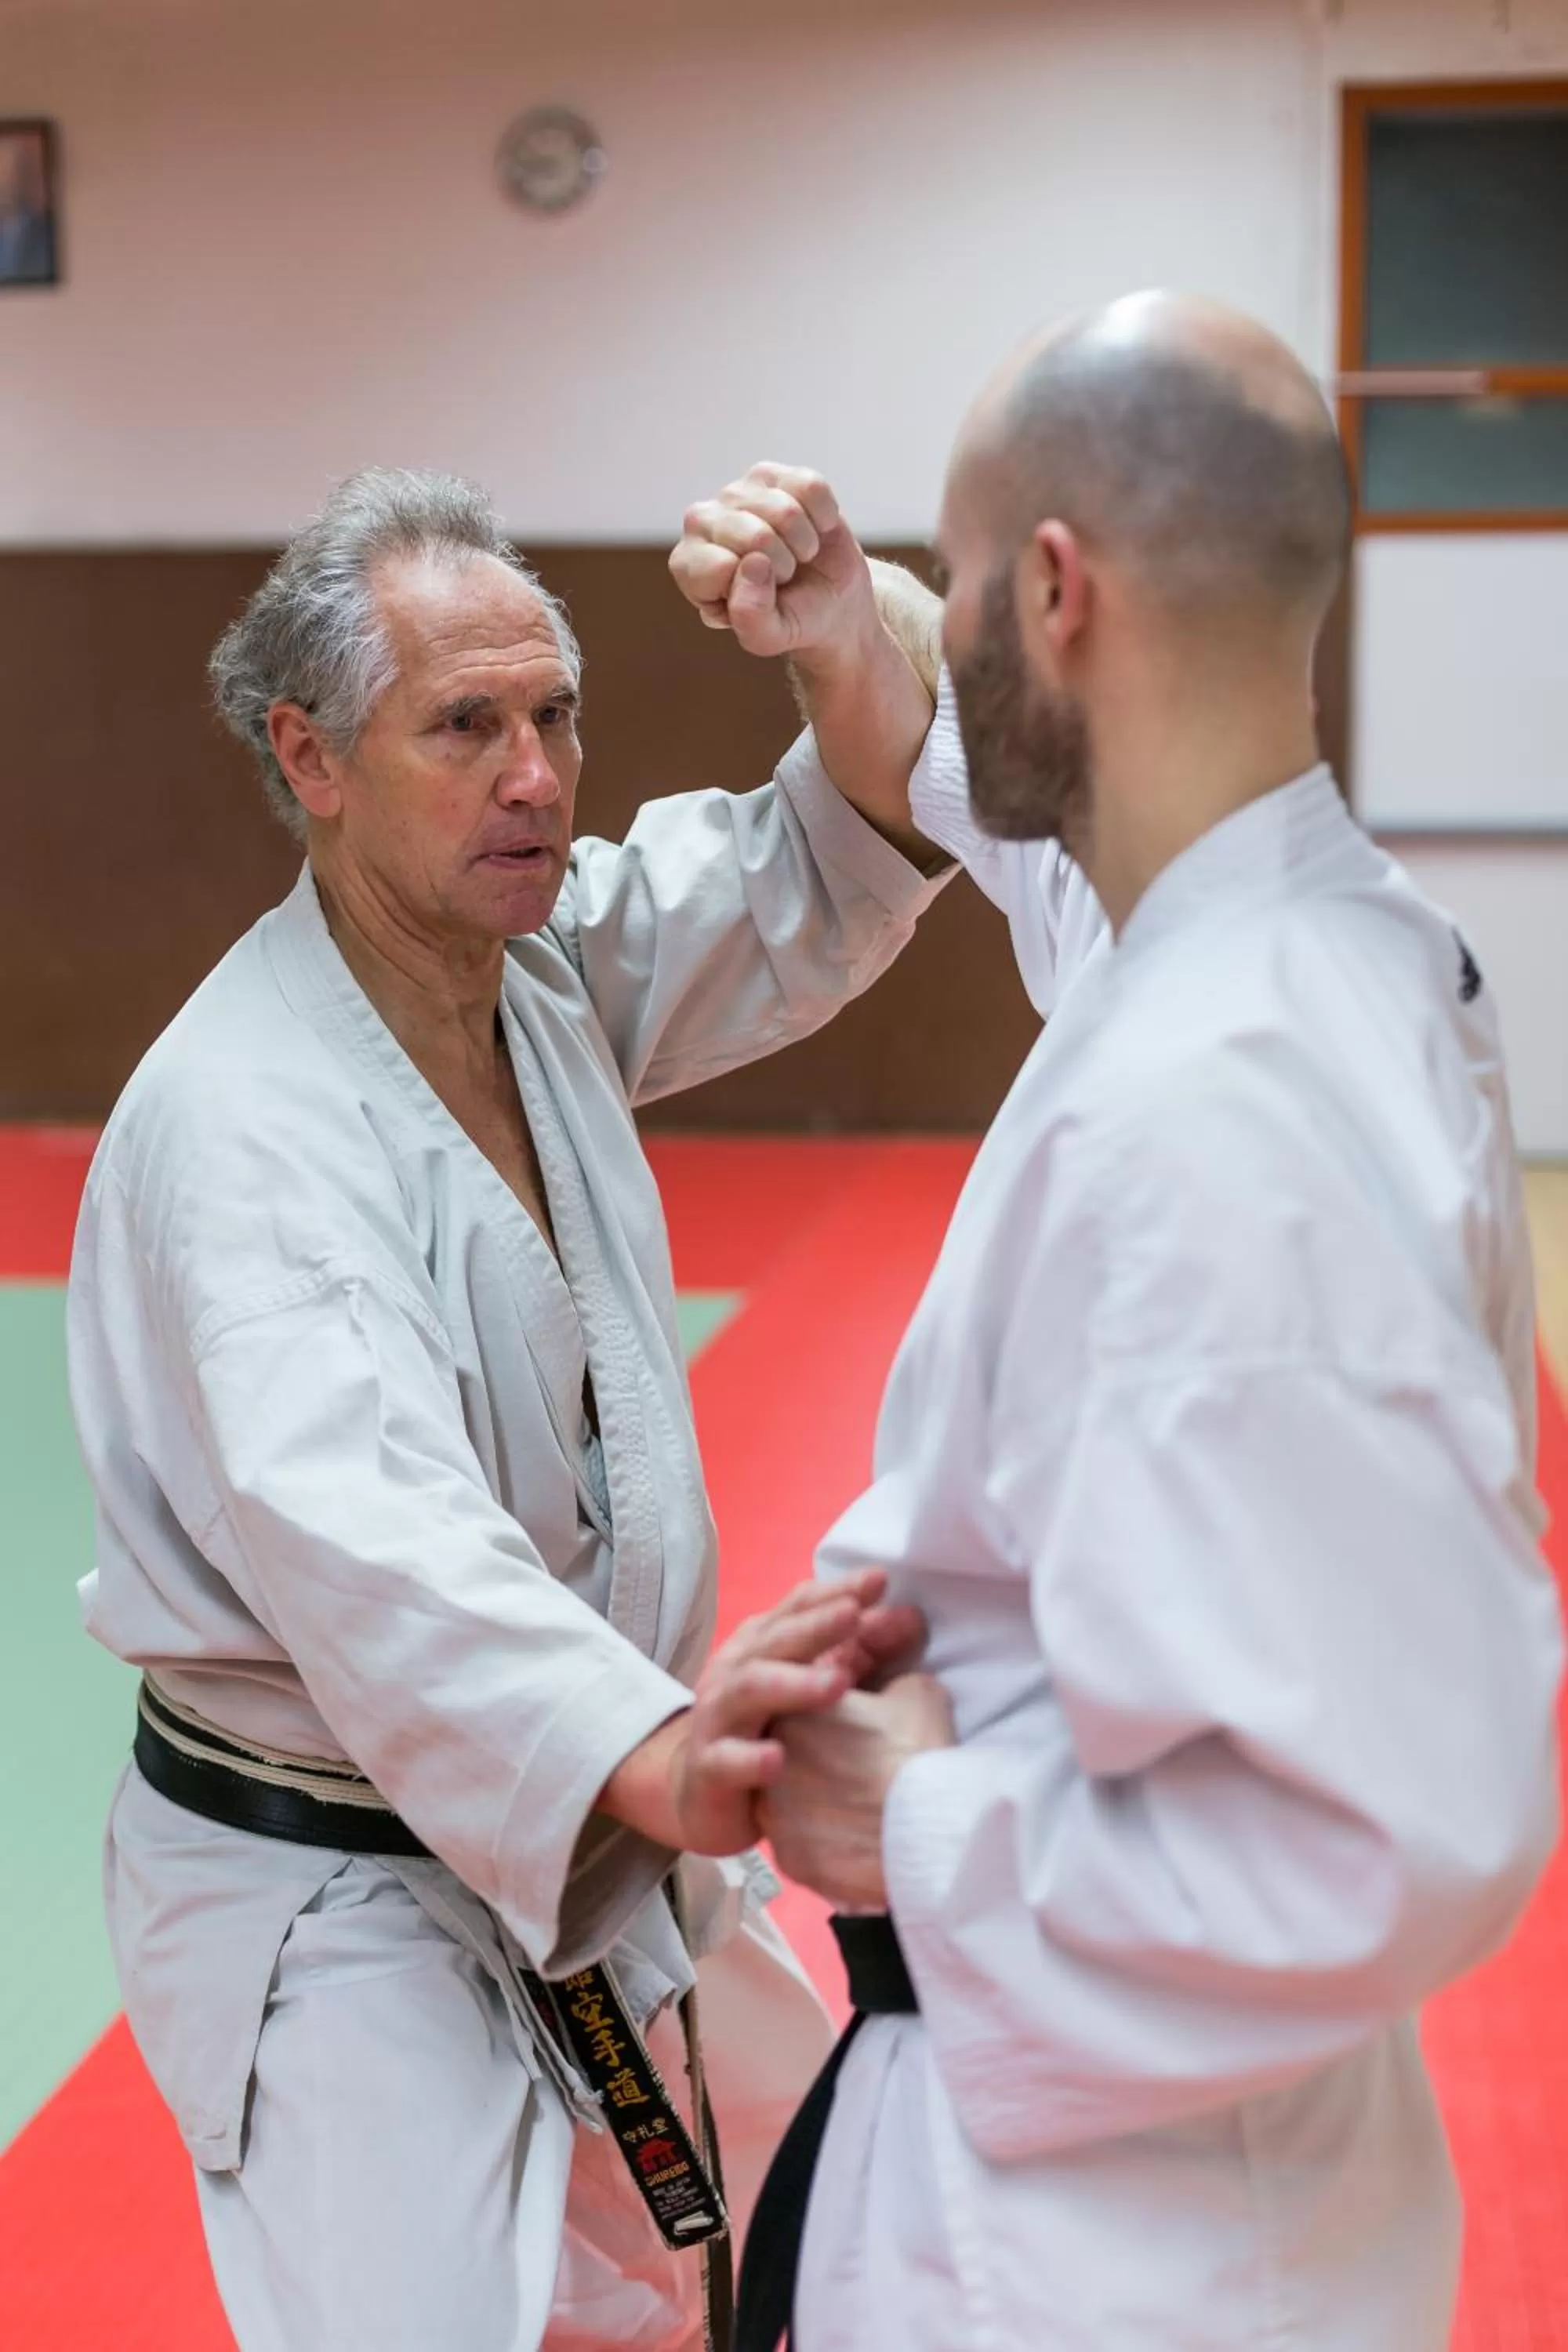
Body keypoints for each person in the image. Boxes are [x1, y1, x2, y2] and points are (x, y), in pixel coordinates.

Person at [671, 295, 1564, 2351]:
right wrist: (852, 633)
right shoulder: (1321, 944)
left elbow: (1395, 1833)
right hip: (1167, 2161)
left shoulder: (1217, 1110)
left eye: (964, 587)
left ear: (1054, 594)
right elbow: (1013, 819)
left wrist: (915, 1821)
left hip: (1108, 2252)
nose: (950, 635)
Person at [66, 463, 946, 2352]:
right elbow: (369, 1538)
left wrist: (841, 638)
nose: (535, 774)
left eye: (554, 715)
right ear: (309, 757)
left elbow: (805, 871)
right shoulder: (254, 1134)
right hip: (342, 1890)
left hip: (583, 1834)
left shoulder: (521, 973)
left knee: (811, 2224)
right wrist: (656, 1759)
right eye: (464, 726)